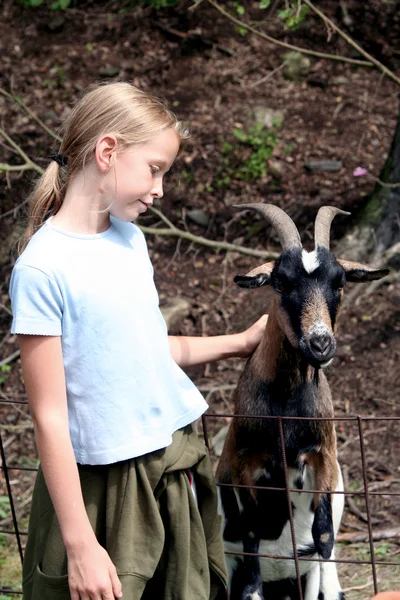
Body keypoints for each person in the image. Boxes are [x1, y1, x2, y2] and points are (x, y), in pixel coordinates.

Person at [9, 82, 268, 600]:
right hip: (104, 491)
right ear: (107, 152)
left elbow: (143, 350)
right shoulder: (42, 268)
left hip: (172, 466)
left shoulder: (131, 241)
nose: (160, 189)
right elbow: (50, 417)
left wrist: (239, 342)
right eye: (154, 169)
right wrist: (81, 545)